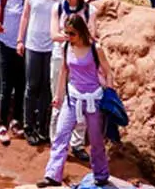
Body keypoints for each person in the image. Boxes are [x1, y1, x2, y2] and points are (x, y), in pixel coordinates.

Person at [36, 16, 115, 188]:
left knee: (96, 140)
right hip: (73, 98)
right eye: (66, 33)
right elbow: (64, 71)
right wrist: (58, 95)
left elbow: (108, 72)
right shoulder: (66, 47)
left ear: (81, 32)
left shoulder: (95, 49)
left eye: (72, 33)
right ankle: (53, 175)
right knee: (61, 135)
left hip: (93, 99)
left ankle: (101, 174)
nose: (68, 36)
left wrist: (110, 95)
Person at [49, 0, 94, 154]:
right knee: (57, 99)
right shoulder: (58, 8)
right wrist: (76, 37)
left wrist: (67, 37)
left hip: (82, 60)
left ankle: (77, 143)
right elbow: (53, 35)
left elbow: (92, 36)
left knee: (80, 101)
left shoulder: (90, 11)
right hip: (60, 56)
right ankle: (56, 141)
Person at [17, 0, 59, 147]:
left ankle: (43, 126)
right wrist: (20, 40)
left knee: (46, 88)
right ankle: (28, 126)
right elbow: (25, 15)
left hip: (51, 45)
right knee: (31, 86)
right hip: (33, 44)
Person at [0, 0, 28, 147]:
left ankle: (17, 120)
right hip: (4, 44)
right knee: (6, 85)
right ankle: (3, 123)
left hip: (23, 47)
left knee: (21, 85)